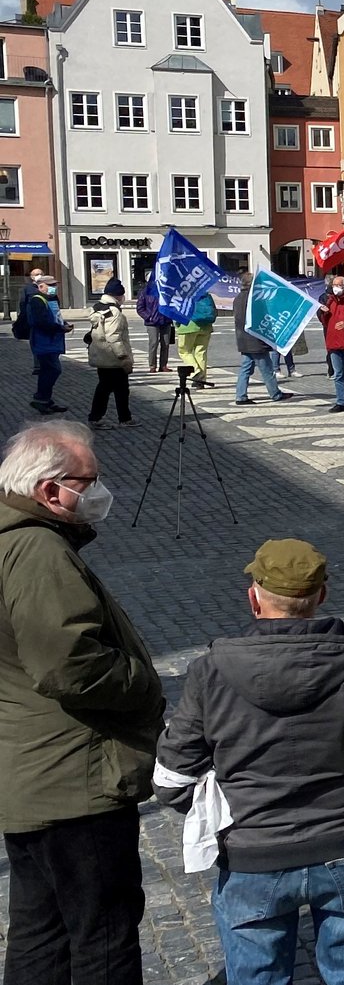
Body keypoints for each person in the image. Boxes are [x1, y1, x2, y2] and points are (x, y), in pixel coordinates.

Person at [155, 538, 344, 985]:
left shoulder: (210, 670)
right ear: (321, 596)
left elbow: (171, 780)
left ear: (254, 597)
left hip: (252, 855)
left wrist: (219, 804)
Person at [0, 422, 163, 985]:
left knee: (39, 930)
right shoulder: (37, 550)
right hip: (75, 780)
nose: (96, 492)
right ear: (49, 491)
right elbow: (67, 663)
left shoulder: (13, 539)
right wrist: (143, 683)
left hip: (31, 775)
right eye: (86, 481)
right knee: (104, 934)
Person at [231, 274, 294, 406]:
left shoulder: (237, 298)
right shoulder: (255, 299)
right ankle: (275, 394)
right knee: (267, 369)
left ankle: (240, 395)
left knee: (245, 368)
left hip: (243, 339)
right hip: (255, 340)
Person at [84, 291, 135, 429]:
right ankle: (99, 418)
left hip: (102, 356)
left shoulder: (98, 308)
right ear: (117, 295)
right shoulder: (114, 312)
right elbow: (113, 336)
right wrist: (123, 356)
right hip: (113, 358)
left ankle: (123, 417)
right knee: (115, 389)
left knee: (111, 388)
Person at [23, 273, 69, 412]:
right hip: (43, 342)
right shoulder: (37, 300)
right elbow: (40, 322)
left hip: (52, 341)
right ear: (41, 286)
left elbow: (55, 317)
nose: (54, 288)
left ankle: (45, 399)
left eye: (55, 285)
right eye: (51, 285)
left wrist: (63, 324)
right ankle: (40, 399)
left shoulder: (52, 299)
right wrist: (60, 327)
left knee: (48, 370)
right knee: (52, 370)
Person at [316, 277, 344, 415]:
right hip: (333, 342)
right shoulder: (330, 300)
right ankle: (341, 402)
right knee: (338, 374)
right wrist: (323, 313)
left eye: (338, 285)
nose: (335, 287)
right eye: (334, 285)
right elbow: (325, 322)